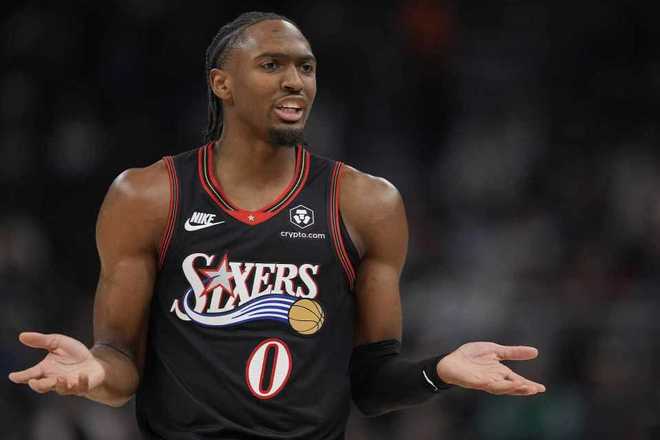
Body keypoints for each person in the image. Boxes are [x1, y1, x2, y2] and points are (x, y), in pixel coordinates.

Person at [8, 11, 546, 440]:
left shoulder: (366, 203)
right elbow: (121, 364)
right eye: (271, 65)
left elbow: (370, 384)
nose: (295, 81)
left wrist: (441, 370)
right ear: (222, 83)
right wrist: (94, 373)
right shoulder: (148, 195)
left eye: (305, 68)